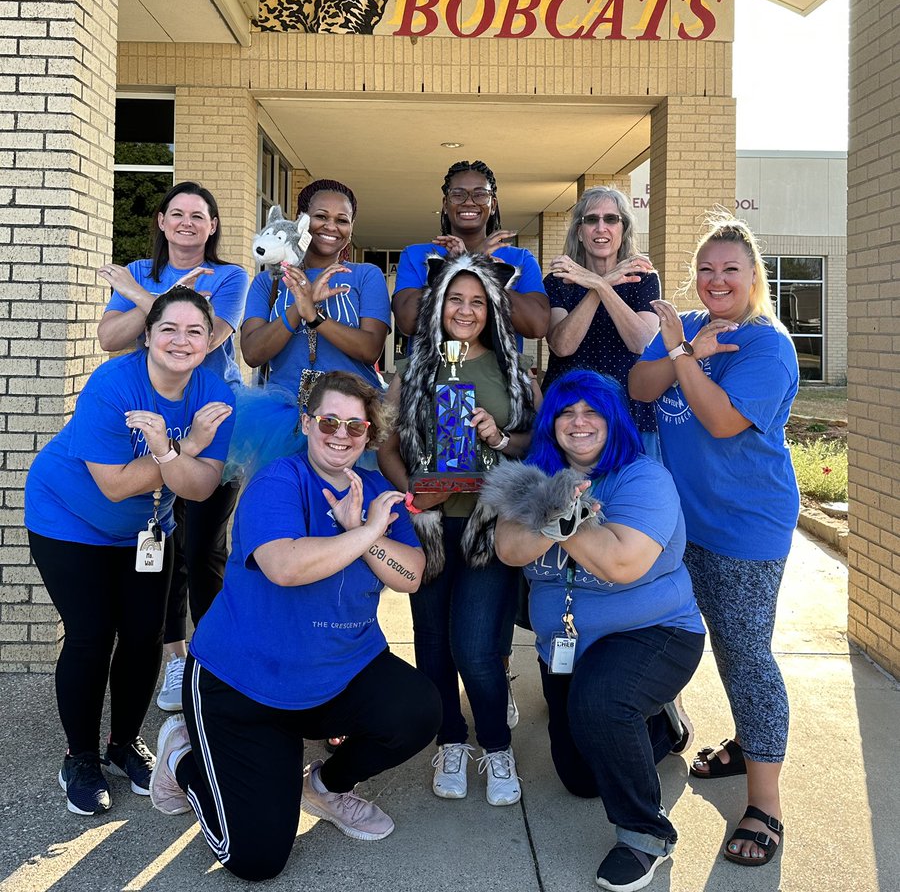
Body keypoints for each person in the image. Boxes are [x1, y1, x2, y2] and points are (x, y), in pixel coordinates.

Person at [148, 371, 440, 883]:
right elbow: (285, 566)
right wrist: (370, 530)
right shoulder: (278, 481)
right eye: (329, 420)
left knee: (417, 710)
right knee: (256, 860)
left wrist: (362, 532)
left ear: (369, 433)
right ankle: (182, 762)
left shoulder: (375, 490)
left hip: (335, 675)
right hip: (244, 686)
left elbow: (410, 575)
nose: (341, 434)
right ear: (307, 423)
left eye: (355, 425)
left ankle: (324, 787)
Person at [489, 370, 705, 892]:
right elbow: (509, 550)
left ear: (613, 421)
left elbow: (622, 563)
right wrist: (563, 510)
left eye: (592, 412)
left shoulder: (643, 477)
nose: (579, 422)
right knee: (581, 778)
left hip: (654, 630)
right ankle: (660, 727)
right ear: (551, 424)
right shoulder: (529, 477)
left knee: (601, 702)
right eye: (566, 412)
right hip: (567, 645)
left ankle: (645, 835)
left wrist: (566, 519)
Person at [26, 286, 235, 816]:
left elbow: (199, 489)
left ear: (210, 340)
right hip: (68, 518)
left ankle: (122, 746)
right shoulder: (114, 383)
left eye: (195, 331)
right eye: (168, 329)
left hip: (146, 528)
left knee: (144, 637)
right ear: (147, 335)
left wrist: (172, 452)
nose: (181, 340)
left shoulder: (215, 396)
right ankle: (81, 757)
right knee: (92, 636)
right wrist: (182, 450)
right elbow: (114, 485)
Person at [630, 215, 799, 869]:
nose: (717, 279)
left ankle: (765, 802)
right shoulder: (689, 330)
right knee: (712, 648)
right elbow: (642, 389)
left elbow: (723, 421)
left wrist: (681, 357)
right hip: (682, 524)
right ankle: (740, 742)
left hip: (744, 529)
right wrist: (684, 351)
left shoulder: (767, 346)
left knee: (747, 658)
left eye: (730, 268)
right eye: (706, 268)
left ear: (753, 274)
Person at [378, 252, 536, 806]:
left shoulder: (510, 367)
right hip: (430, 531)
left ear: (491, 308)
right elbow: (386, 444)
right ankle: (450, 739)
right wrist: (411, 495)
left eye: (476, 301)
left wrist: (496, 437)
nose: (465, 310)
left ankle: (496, 746)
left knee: (475, 648)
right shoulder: (417, 365)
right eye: (454, 299)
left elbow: (533, 443)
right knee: (434, 649)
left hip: (488, 527)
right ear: (437, 305)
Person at [98, 181, 249, 714]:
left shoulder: (230, 276)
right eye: (178, 213)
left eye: (200, 216)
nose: (188, 222)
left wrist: (145, 304)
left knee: (205, 547)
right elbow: (111, 339)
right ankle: (177, 657)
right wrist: (155, 299)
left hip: (210, 423)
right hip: (142, 423)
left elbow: (206, 338)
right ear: (161, 221)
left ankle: (213, 659)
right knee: (161, 546)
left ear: (212, 227)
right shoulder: (141, 269)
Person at [241, 178, 390, 401]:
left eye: (342, 220)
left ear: (351, 227)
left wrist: (314, 316)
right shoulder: (268, 281)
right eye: (321, 216)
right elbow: (252, 354)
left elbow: (370, 350)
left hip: (351, 415)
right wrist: (299, 307)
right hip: (283, 413)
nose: (331, 226)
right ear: (301, 219)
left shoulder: (366, 276)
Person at [543, 186, 660, 457]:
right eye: (591, 220)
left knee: (632, 497)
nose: (601, 227)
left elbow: (640, 342)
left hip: (628, 415)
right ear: (579, 232)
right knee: (565, 498)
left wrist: (599, 285)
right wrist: (601, 285)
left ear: (623, 229)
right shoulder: (558, 281)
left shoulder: (642, 278)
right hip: (570, 420)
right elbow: (562, 345)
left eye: (611, 219)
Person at [391, 159, 549, 346]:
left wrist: (480, 266)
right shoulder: (415, 255)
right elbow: (407, 322)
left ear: (493, 204)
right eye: (458, 195)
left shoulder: (520, 259)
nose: (469, 202)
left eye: (480, 194)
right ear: (445, 204)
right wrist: (456, 265)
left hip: (499, 374)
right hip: (431, 373)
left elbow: (537, 327)